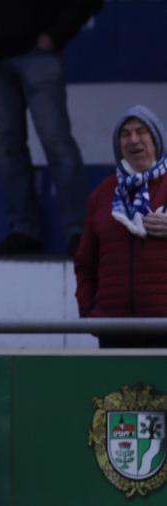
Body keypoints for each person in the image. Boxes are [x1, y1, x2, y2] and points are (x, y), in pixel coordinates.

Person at [0, 0, 102, 256]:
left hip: (37, 52)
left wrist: (56, 34)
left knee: (56, 141)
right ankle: (24, 230)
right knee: (7, 144)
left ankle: (79, 232)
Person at [74, 105, 167, 348]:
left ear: (157, 139)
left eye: (141, 131)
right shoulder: (103, 194)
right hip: (114, 329)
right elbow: (85, 263)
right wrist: (90, 313)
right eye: (125, 134)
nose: (133, 140)